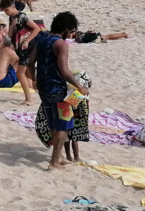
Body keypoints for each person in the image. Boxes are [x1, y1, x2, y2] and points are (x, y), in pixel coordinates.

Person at [25, 11, 89, 170]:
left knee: (53, 123)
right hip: (58, 90)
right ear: (66, 28)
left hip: (44, 89)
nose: (72, 34)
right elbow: (64, 71)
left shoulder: (41, 39)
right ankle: (54, 162)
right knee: (63, 125)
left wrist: (34, 80)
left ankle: (59, 157)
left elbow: (30, 63)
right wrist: (80, 86)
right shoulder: (60, 44)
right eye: (72, 31)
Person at [0, 0, 41, 105]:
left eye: (7, 10)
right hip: (19, 48)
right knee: (26, 73)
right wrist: (12, 26)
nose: (6, 12)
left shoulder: (22, 16)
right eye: (4, 11)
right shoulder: (11, 18)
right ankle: (33, 93)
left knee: (20, 73)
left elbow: (36, 28)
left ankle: (29, 99)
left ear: (13, 6)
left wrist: (27, 40)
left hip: (28, 48)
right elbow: (9, 34)